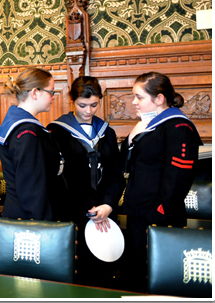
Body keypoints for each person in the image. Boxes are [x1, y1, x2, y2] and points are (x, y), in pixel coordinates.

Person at [120, 72, 202, 293]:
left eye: (139, 97)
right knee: (138, 276)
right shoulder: (147, 124)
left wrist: (157, 215)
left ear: (159, 98)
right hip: (138, 212)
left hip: (158, 216)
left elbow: (177, 180)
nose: (134, 103)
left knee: (157, 280)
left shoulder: (178, 127)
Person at [47, 76, 122, 287]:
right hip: (71, 210)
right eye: (82, 105)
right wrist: (86, 207)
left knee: (101, 274)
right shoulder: (56, 132)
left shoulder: (107, 132)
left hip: (103, 212)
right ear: (72, 100)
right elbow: (58, 178)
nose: (88, 111)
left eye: (94, 105)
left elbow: (114, 174)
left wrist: (107, 204)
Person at [0, 67, 63, 221]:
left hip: (23, 213)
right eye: (51, 92)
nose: (53, 97)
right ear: (35, 93)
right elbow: (31, 189)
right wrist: (45, 225)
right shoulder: (27, 131)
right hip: (29, 219)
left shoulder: (18, 122)